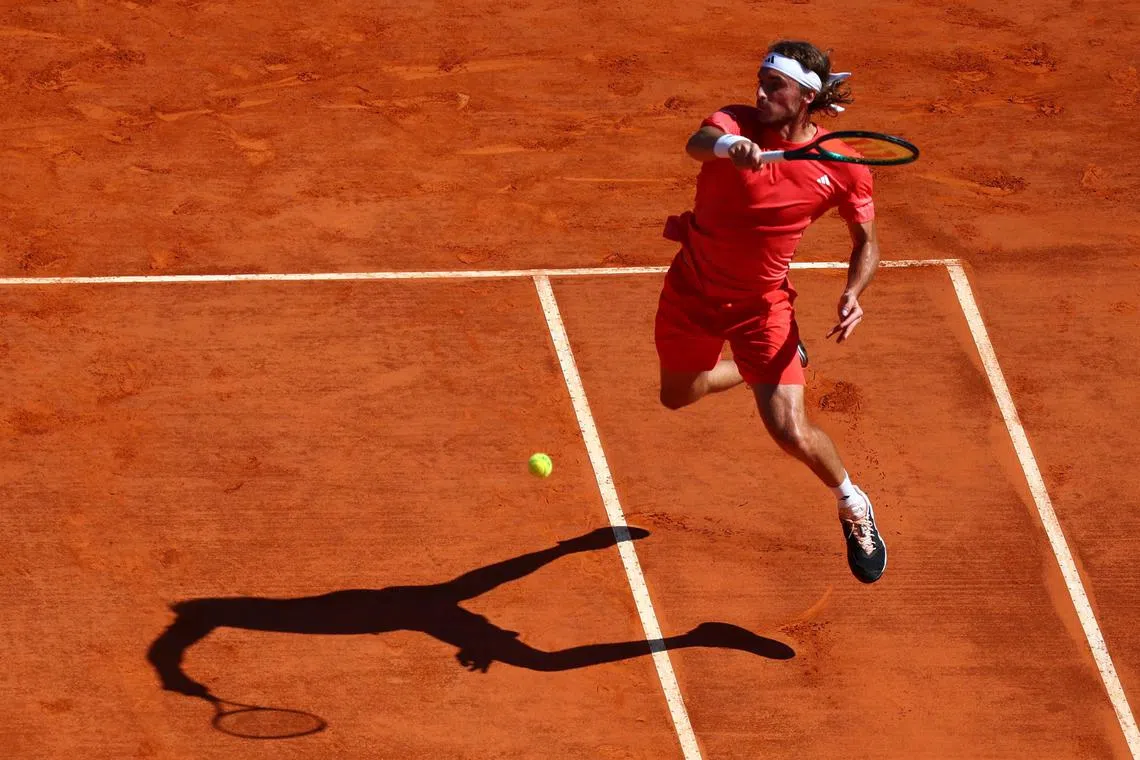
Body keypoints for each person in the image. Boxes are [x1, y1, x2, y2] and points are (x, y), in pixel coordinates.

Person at [654, 40, 887, 583]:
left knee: (789, 431)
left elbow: (866, 242)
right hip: (692, 291)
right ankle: (767, 364)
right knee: (676, 396)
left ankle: (853, 505)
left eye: (773, 85)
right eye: (760, 80)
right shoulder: (733, 122)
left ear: (806, 96)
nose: (760, 92)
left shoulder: (843, 167)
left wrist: (856, 291)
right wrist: (728, 148)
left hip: (761, 309)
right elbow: (699, 141)